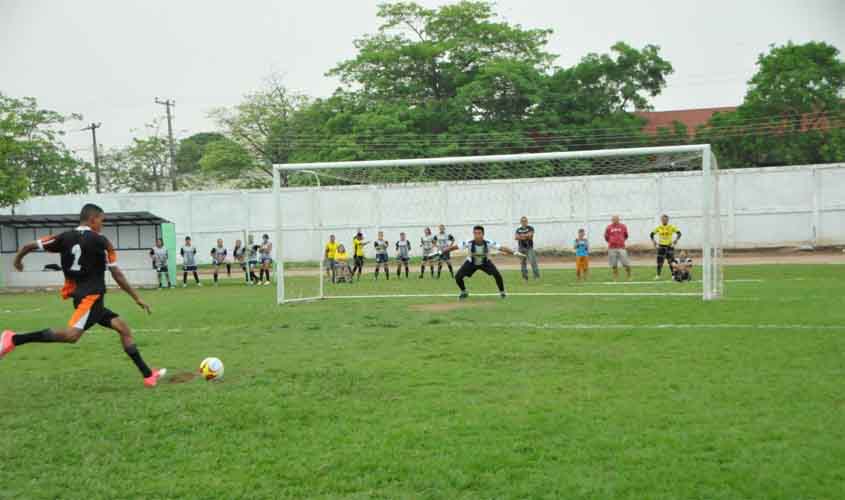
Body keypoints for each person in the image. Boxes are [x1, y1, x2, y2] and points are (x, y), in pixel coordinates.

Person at [1, 204, 166, 387]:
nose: (102, 225)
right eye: (101, 220)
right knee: (72, 336)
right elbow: (116, 274)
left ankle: (148, 375)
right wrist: (137, 298)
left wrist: (18, 260)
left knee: (123, 329)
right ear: (93, 219)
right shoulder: (101, 241)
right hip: (91, 298)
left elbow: (29, 246)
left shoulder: (64, 237)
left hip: (86, 298)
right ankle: (13, 339)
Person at [444, 225, 519, 300]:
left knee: (497, 275)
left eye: (479, 233)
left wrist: (514, 252)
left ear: (483, 234)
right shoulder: (468, 242)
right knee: (458, 277)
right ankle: (464, 292)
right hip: (471, 263)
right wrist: (444, 250)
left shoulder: (488, 242)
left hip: (485, 263)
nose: (477, 235)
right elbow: (455, 247)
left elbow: (502, 248)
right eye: (475, 233)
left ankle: (502, 293)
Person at [650, 214, 682, 280]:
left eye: (665, 219)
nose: (664, 221)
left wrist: (676, 240)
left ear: (667, 220)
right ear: (661, 220)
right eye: (663, 219)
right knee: (659, 262)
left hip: (669, 246)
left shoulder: (671, 227)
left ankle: (673, 275)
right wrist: (654, 241)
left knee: (671, 262)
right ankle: (658, 275)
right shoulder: (659, 227)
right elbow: (651, 234)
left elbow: (679, 233)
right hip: (661, 246)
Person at [604, 215, 631, 281]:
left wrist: (621, 241)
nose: (615, 220)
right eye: (613, 219)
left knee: (625, 263)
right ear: (612, 220)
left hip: (621, 247)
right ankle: (615, 277)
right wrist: (611, 241)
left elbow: (626, 236)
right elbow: (606, 237)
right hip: (612, 248)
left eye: (616, 219)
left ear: (619, 219)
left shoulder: (623, 226)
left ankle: (629, 275)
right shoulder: (608, 227)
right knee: (614, 264)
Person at [515, 216, 540, 280]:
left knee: (533, 262)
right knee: (523, 263)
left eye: (525, 221)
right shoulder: (518, 229)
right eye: (522, 221)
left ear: (527, 221)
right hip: (521, 248)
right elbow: (516, 237)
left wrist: (522, 236)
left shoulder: (530, 228)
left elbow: (530, 235)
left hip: (529, 248)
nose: (524, 222)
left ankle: (536, 276)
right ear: (520, 222)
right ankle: (525, 277)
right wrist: (525, 236)